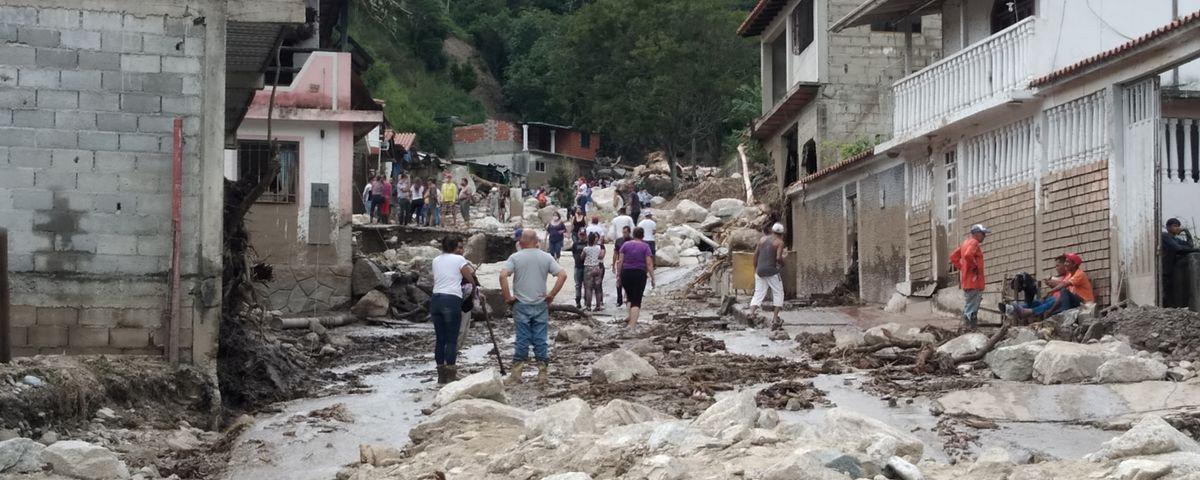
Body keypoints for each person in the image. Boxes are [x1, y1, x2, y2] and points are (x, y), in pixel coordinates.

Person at [499, 229, 568, 385]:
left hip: (520, 304)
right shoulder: (546, 257)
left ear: (521, 242)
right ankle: (542, 374)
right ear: (536, 241)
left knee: (522, 338)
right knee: (540, 339)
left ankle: (516, 375)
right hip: (540, 303)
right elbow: (562, 275)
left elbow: (503, 275)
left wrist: (507, 297)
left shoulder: (515, 258)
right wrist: (551, 295)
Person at [430, 236, 476, 384]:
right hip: (451, 300)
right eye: (459, 247)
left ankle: (440, 374)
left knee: (440, 339)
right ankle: (450, 374)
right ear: (454, 248)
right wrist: (475, 287)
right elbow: (469, 278)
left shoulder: (436, 260)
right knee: (451, 339)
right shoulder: (459, 260)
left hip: (436, 299)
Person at [1002, 253, 1094, 320]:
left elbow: (1063, 286)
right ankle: (1015, 308)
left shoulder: (1079, 274)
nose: (1065, 264)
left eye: (1067, 262)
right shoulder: (1071, 274)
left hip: (1085, 304)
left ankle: (1027, 311)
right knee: (1045, 300)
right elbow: (1062, 286)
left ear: (1074, 265)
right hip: (1073, 300)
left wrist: (1049, 292)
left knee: (1055, 297)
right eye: (1065, 262)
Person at [950, 224, 989, 328]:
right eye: (983, 234)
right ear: (977, 234)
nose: (984, 236)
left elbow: (953, 257)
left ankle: (968, 328)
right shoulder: (974, 242)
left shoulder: (965, 243)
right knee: (972, 307)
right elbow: (968, 255)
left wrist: (963, 268)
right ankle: (969, 329)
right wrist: (974, 266)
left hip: (967, 281)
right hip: (974, 281)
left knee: (970, 305)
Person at [749, 223, 787, 329]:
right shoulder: (779, 242)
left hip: (759, 271)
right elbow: (779, 258)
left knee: (758, 293)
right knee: (778, 292)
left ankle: (751, 314)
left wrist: (756, 269)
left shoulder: (762, 240)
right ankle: (775, 319)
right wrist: (784, 263)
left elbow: (755, 255)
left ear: (772, 231)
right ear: (782, 234)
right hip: (772, 272)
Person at [618, 227, 655, 327]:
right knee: (636, 300)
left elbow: (620, 261)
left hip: (626, 273)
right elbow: (649, 263)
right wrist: (653, 278)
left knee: (630, 296)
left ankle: (630, 317)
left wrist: (618, 275)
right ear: (643, 236)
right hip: (639, 274)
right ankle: (632, 326)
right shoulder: (645, 247)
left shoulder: (625, 245)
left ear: (633, 235)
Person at [1162, 218, 1199, 307]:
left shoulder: (1175, 239)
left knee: (1173, 292)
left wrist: (1187, 232)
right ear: (1168, 227)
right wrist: (1196, 249)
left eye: (1178, 226)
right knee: (1165, 292)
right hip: (1164, 270)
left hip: (1172, 269)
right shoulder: (1165, 236)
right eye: (1175, 226)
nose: (1178, 228)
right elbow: (1178, 249)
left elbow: (1190, 246)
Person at [583, 232, 606, 311]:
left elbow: (582, 257)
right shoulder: (599, 247)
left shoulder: (586, 248)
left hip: (588, 268)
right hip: (597, 268)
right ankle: (598, 305)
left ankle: (588, 306)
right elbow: (600, 256)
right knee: (598, 288)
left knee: (588, 288)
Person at [613, 225, 632, 307]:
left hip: (629, 264)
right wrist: (613, 264)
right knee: (618, 282)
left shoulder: (632, 241)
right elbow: (615, 253)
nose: (624, 234)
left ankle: (628, 299)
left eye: (626, 233)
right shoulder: (619, 241)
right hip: (620, 263)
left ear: (629, 232)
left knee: (629, 283)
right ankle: (619, 300)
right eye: (623, 232)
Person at [570, 230, 587, 308]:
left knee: (586, 285)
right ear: (578, 235)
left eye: (583, 234)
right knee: (578, 285)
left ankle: (587, 301)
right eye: (581, 234)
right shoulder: (575, 244)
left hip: (586, 266)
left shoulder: (587, 244)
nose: (582, 236)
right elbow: (573, 254)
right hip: (578, 266)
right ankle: (578, 301)